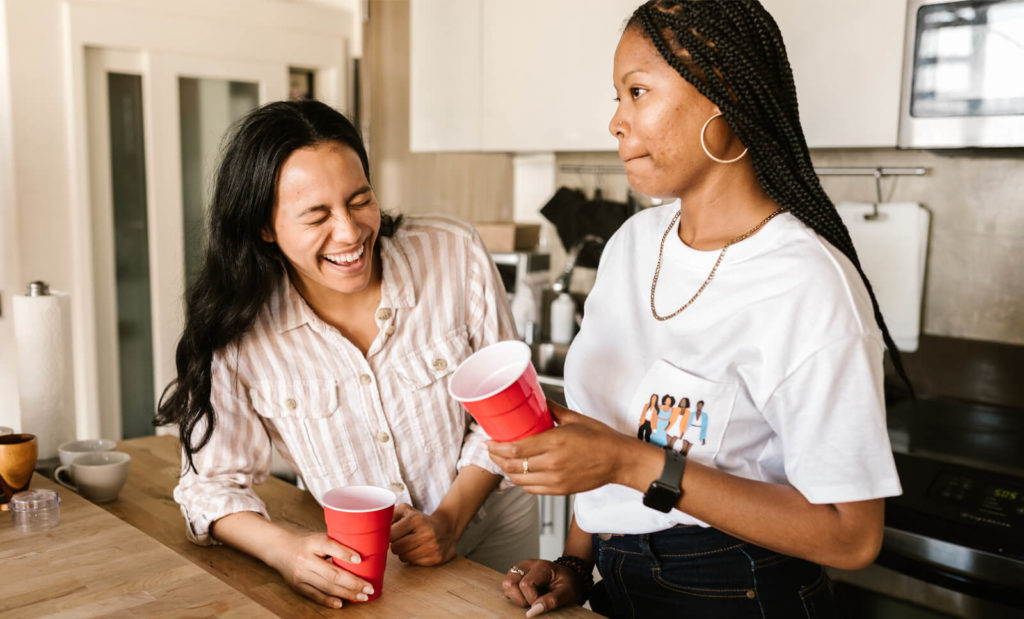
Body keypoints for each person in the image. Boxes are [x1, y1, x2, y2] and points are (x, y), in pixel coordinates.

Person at [486, 1, 909, 617]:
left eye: (637, 92)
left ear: (724, 97)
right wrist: (578, 561)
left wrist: (630, 461)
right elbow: (604, 427)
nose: (616, 122)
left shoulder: (806, 284)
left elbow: (852, 534)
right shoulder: (632, 245)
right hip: (619, 575)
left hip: (738, 586)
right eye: (617, 97)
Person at [156, 99, 538, 609]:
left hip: (491, 541)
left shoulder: (452, 252)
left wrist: (449, 519)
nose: (350, 232)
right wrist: (285, 552)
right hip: (370, 574)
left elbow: (505, 416)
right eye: (316, 215)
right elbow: (210, 487)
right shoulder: (240, 327)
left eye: (359, 200)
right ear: (265, 226)